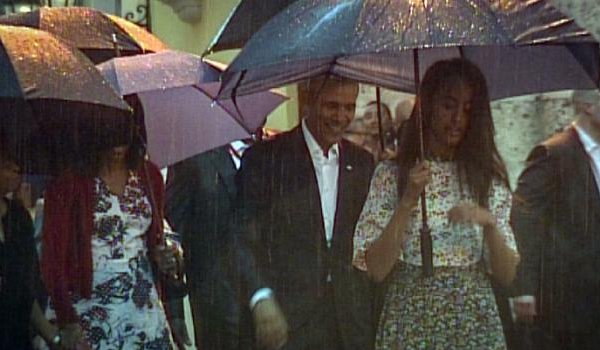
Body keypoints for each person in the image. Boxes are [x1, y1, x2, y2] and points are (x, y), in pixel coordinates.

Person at [353, 58, 520, 349]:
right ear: (427, 105)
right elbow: (376, 269)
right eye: (448, 105)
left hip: (473, 317)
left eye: (468, 109)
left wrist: (489, 224)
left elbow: (507, 275)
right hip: (411, 316)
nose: (458, 118)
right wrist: (407, 201)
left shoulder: (486, 178)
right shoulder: (391, 175)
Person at [234, 75, 376, 349]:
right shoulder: (266, 159)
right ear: (308, 102)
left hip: (348, 325)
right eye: (332, 106)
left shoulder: (362, 163)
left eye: (349, 107)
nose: (341, 116)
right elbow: (241, 236)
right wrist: (260, 297)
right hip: (285, 322)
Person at [40, 124, 183, 349]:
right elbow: (52, 261)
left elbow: (154, 237)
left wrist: (164, 256)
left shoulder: (149, 175)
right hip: (87, 312)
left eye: (125, 135)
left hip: (142, 309)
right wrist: (67, 322)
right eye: (110, 134)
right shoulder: (68, 183)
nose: (118, 146)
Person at [511, 89, 600, 349]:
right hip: (568, 296)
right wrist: (525, 286)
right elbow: (523, 215)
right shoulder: (553, 153)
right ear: (588, 105)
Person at [166, 141, 249, 350]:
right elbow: (173, 235)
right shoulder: (192, 156)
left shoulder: (271, 153)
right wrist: (174, 310)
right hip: (215, 303)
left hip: (267, 301)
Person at [0, 151, 60, 349]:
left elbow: (25, 291)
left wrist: (55, 338)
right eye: (7, 165)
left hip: (15, 336)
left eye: (16, 167)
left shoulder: (18, 217)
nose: (16, 172)